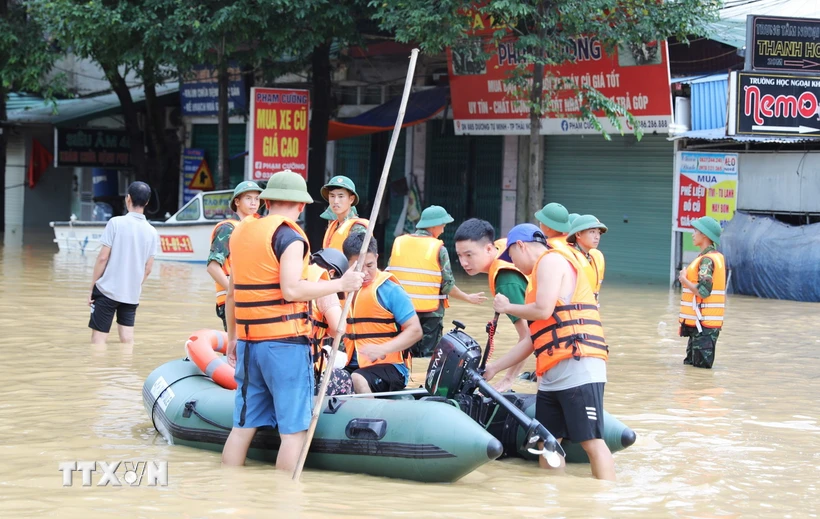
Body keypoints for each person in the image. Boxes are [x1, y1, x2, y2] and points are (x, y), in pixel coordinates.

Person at [221, 170, 364, 471]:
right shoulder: (290, 236)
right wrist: (342, 285)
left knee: (242, 427)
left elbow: (231, 293)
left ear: (266, 201)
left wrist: (232, 338)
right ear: (301, 206)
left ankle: (228, 493)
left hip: (248, 341)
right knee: (293, 433)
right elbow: (291, 289)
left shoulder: (241, 232)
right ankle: (283, 503)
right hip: (284, 345)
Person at [483, 223, 615, 481]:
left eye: (512, 257)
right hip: (553, 372)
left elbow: (543, 310)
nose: (513, 264)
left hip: (579, 363)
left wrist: (508, 306)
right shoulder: (538, 276)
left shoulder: (551, 260)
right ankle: (550, 500)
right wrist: (494, 368)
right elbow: (533, 338)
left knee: (591, 442)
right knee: (547, 443)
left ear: (520, 245)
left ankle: (605, 502)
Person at [387, 205, 486, 358]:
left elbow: (388, 276)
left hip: (402, 313)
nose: (443, 230)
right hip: (430, 316)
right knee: (427, 359)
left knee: (402, 357)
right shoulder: (438, 248)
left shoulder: (399, 242)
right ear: (433, 226)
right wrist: (468, 298)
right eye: (443, 226)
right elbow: (447, 286)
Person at [453, 218, 530, 391]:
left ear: (489, 248)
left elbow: (529, 336)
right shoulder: (503, 247)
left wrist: (507, 378)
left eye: (469, 255)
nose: (463, 263)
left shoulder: (506, 281)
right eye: (459, 255)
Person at [342, 233, 423, 394]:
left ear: (377, 258)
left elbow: (415, 331)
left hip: (392, 368)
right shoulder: (342, 288)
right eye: (358, 266)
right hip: (354, 364)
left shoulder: (390, 290)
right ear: (347, 264)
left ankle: (372, 418)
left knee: (357, 378)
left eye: (370, 265)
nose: (365, 272)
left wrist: (382, 349)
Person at [88, 181, 159, 345]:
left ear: (128, 198)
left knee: (98, 341)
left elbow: (102, 258)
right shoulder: (152, 232)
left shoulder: (115, 223)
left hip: (107, 291)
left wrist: (93, 287)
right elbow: (148, 269)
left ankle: (97, 371)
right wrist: (132, 285)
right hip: (131, 294)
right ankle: (126, 369)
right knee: (127, 341)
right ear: (147, 202)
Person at [206, 181, 262, 330]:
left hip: (252, 299)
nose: (253, 203)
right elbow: (212, 267)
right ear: (237, 201)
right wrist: (234, 293)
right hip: (233, 301)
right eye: (248, 198)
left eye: (257, 199)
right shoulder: (227, 229)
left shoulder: (258, 228)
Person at [678, 216, 726, 369]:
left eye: (695, 231)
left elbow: (703, 292)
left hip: (704, 328)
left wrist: (684, 280)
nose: (692, 234)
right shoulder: (707, 258)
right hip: (701, 327)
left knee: (700, 372)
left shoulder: (707, 261)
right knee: (693, 371)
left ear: (704, 235)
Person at [308, 248, 354, 395]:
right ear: (332, 273)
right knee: (345, 378)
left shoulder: (297, 277)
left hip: (274, 354)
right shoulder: (324, 286)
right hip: (307, 367)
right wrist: (325, 331)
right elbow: (338, 329)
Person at [566, 214, 607, 302]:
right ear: (578, 234)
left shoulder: (590, 257)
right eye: (592, 232)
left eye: (599, 233)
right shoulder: (567, 259)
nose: (597, 237)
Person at [322, 175, 368, 251]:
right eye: (332, 196)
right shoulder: (334, 225)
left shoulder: (357, 227)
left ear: (351, 199)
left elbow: (359, 260)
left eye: (340, 196)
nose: (335, 201)